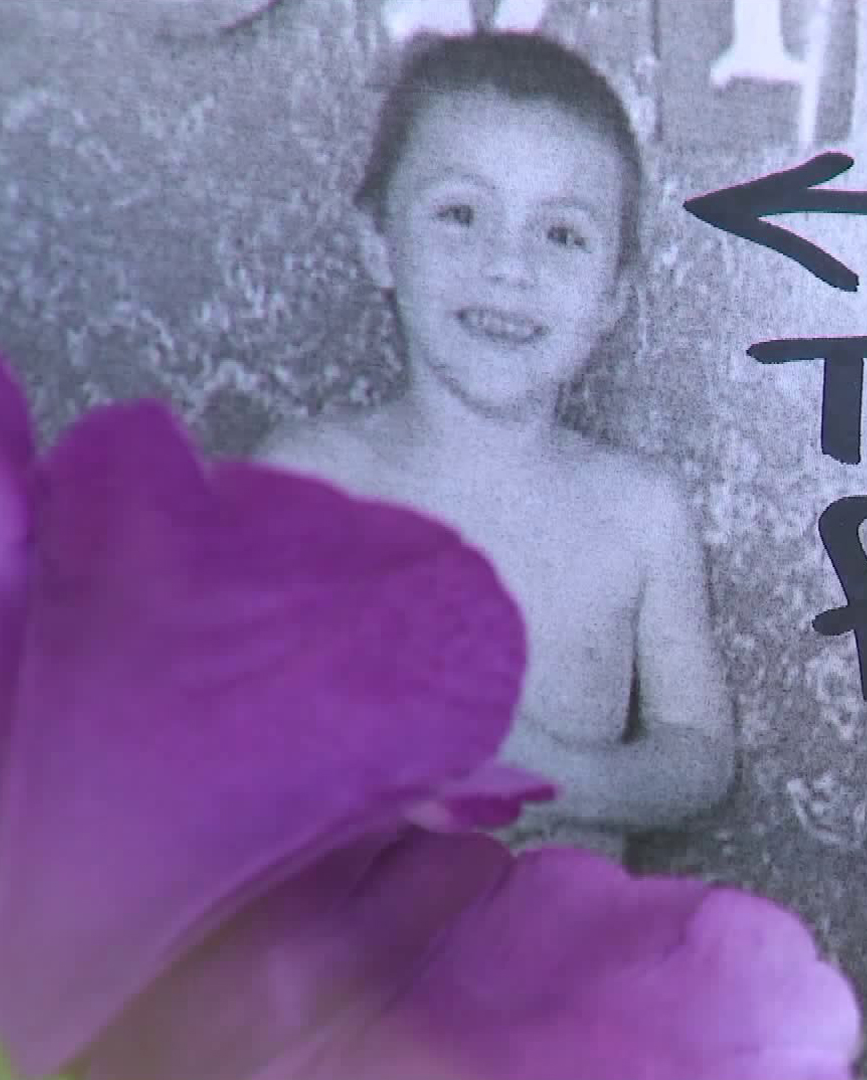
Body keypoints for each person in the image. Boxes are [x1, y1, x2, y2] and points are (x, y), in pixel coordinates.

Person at [255, 31, 734, 861]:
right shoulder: (308, 482)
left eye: (561, 234)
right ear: (379, 243)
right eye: (461, 214)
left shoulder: (638, 510)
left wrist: (564, 778)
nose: (508, 266)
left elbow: (698, 753)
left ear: (615, 293)